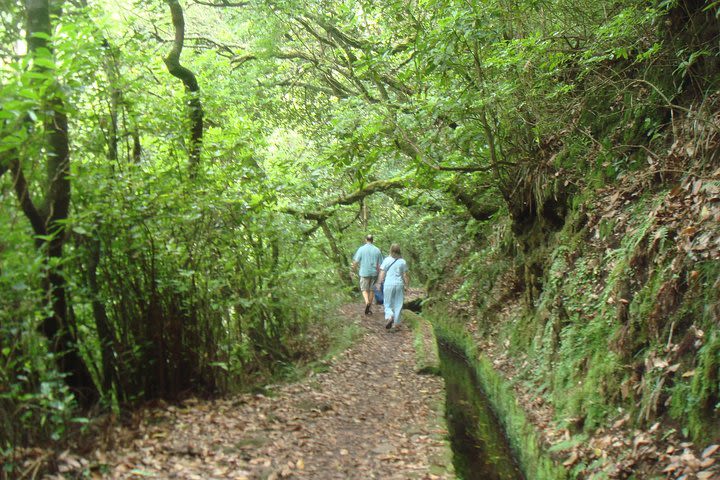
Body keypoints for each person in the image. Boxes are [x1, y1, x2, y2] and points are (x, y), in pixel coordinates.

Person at [378, 243, 409, 331]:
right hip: (399, 284)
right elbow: (405, 275)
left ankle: (389, 315)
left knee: (387, 303)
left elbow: (382, 272)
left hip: (388, 284)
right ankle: (397, 324)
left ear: (391, 250)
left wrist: (379, 283)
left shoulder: (387, 260)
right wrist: (407, 285)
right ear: (399, 251)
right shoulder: (402, 261)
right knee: (398, 304)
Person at [352, 234, 383, 315]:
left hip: (364, 273)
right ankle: (369, 306)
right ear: (372, 240)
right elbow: (381, 265)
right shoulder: (377, 250)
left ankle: (367, 302)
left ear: (366, 240)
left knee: (364, 289)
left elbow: (355, 261)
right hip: (374, 273)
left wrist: (353, 270)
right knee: (372, 290)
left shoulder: (361, 249)